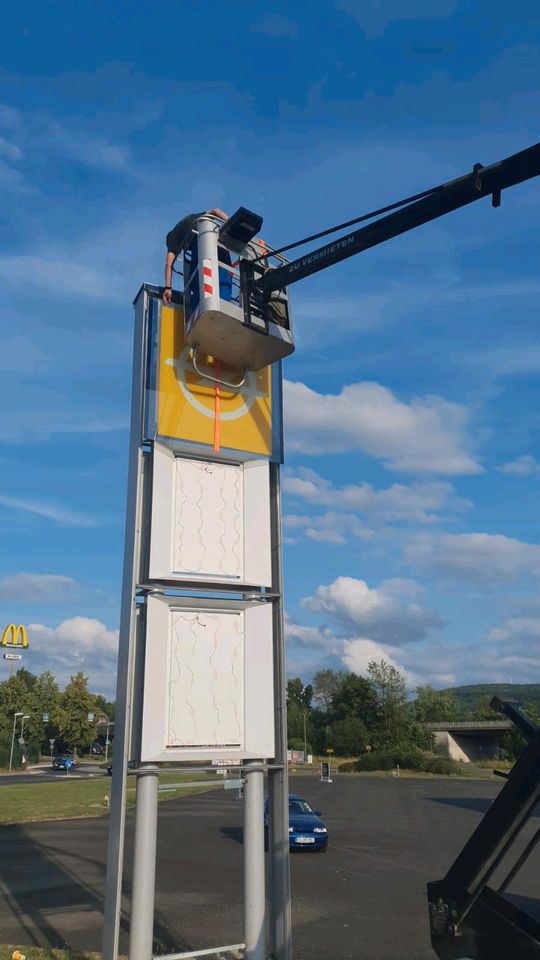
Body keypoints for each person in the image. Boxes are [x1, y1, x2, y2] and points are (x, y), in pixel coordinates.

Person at [163, 207, 230, 305]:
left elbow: (169, 263)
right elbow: (215, 211)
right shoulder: (193, 217)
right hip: (220, 244)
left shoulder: (173, 236)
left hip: (201, 245)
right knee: (225, 282)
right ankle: (225, 303)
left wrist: (168, 288)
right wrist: (230, 223)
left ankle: (201, 306)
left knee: (196, 283)